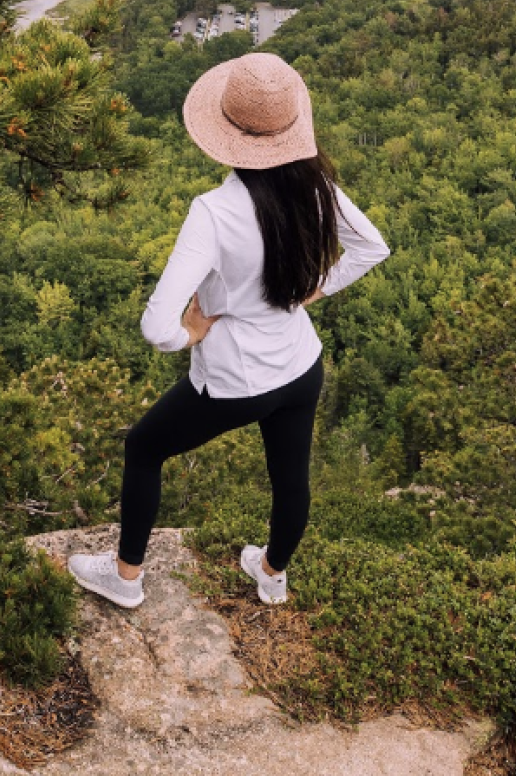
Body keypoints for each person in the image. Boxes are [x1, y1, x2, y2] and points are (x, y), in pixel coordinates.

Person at [67, 52, 390, 608]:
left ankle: (125, 578)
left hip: (236, 381)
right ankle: (271, 574)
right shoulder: (316, 185)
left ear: (225, 132)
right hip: (301, 366)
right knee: (290, 479)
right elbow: (371, 248)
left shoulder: (214, 212)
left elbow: (156, 326)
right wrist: (314, 290)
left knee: (144, 447)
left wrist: (189, 335)